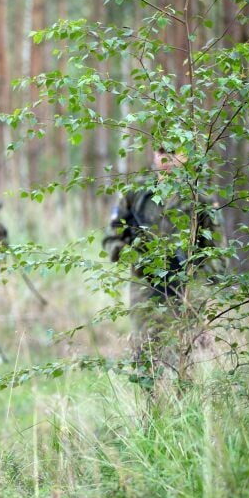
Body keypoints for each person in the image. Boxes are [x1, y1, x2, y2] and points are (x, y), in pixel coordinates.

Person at [102, 147, 222, 382]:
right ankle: (150, 409)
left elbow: (216, 250)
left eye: (175, 151)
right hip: (145, 288)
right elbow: (111, 240)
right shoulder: (135, 193)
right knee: (145, 353)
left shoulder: (199, 194)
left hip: (186, 288)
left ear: (186, 155)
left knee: (186, 354)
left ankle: (186, 407)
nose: (166, 159)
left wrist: (200, 287)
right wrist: (138, 258)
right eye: (160, 152)